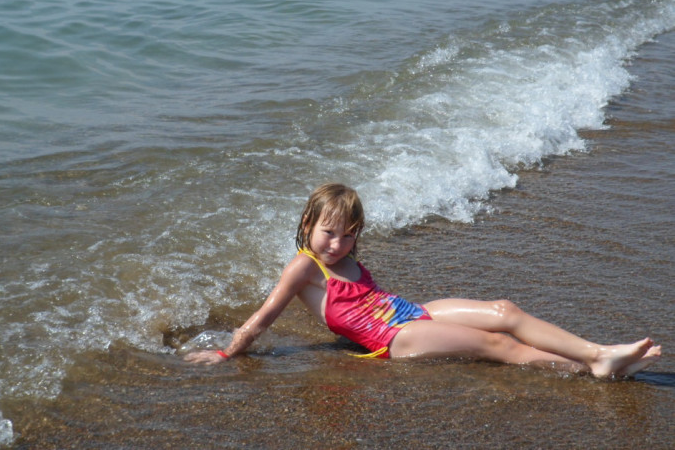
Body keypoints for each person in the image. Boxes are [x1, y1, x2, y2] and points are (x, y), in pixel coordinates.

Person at [184, 183, 661, 378]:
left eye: (348, 235)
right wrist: (227, 352)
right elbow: (264, 317)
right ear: (308, 223)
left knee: (504, 311)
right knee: (496, 344)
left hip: (411, 313)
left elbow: (369, 298)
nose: (338, 244)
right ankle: (593, 365)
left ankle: (597, 351)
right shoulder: (305, 265)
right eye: (329, 232)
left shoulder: (345, 255)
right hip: (393, 338)